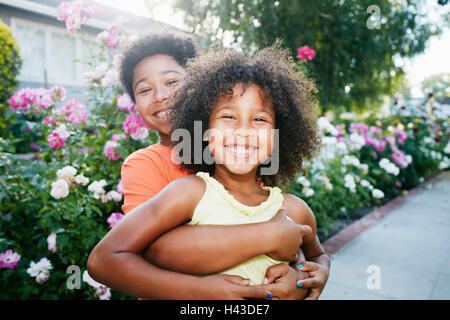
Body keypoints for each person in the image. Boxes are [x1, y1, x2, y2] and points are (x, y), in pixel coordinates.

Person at [87, 45, 330, 299]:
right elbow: (127, 254)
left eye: (259, 120)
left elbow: (316, 255)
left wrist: (313, 275)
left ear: (278, 136)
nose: (243, 131)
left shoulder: (293, 208)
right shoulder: (189, 191)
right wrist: (208, 291)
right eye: (228, 116)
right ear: (203, 128)